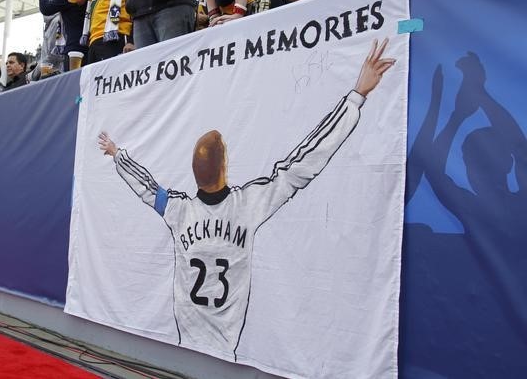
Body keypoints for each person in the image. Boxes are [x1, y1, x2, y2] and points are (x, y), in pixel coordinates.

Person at [97, 38, 395, 358]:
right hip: (228, 348)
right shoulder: (249, 204)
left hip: (185, 343)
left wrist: (117, 154)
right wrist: (356, 97)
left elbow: (146, 187)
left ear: (195, 172)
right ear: (225, 166)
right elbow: (300, 165)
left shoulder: (177, 209)